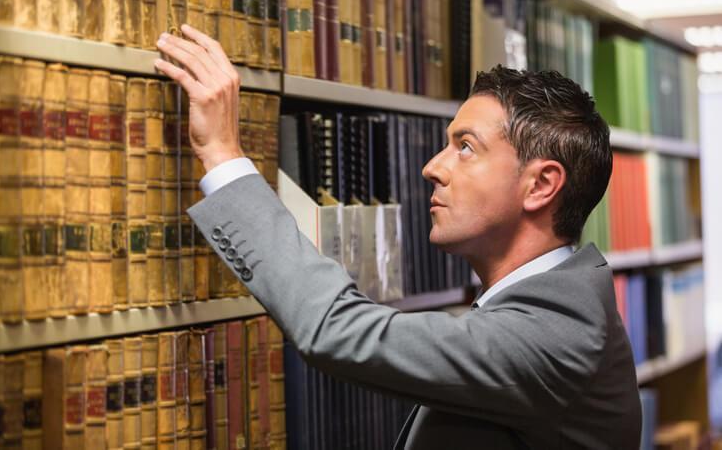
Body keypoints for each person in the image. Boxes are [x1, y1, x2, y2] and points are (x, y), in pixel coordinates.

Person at [154, 24, 642, 449]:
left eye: (466, 147)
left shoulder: (558, 334)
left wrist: (221, 153)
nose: (432, 167)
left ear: (540, 185)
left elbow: (337, 330)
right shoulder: (551, 311)